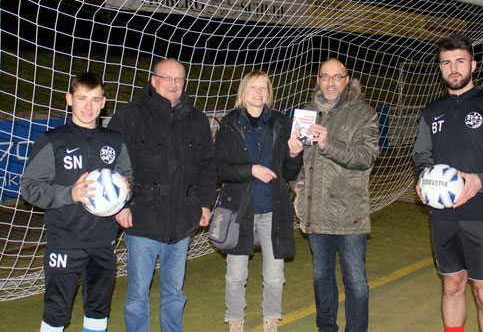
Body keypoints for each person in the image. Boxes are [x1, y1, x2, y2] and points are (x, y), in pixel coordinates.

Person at [413, 34, 483, 332]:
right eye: (446, 62)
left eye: (460, 61)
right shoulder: (431, 111)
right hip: (443, 214)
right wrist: (423, 179)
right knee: (452, 285)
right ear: (440, 68)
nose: (453, 68)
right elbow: (421, 155)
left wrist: (482, 180)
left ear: (473, 65)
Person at [107, 58, 216, 332]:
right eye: (166, 78)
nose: (173, 84)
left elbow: (206, 166)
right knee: (136, 297)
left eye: (178, 79)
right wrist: (121, 206)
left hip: (181, 222)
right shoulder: (130, 115)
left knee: (174, 293)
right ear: (153, 81)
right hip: (142, 220)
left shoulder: (197, 119)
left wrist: (205, 203)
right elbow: (112, 165)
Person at [20, 72, 133, 332]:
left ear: (104, 102)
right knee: (57, 311)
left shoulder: (114, 141)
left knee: (98, 310)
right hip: (65, 242)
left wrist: (127, 192)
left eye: (94, 100)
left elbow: (128, 178)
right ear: (69, 99)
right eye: (81, 98)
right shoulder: (53, 140)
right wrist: (69, 194)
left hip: (103, 243)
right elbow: (29, 188)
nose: (88, 106)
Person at [293, 58, 380, 331]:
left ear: (347, 80)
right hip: (315, 208)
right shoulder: (305, 112)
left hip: (349, 212)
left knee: (355, 280)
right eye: (325, 77)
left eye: (337, 77)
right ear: (317, 80)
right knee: (321, 274)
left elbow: (366, 157)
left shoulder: (364, 113)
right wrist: (293, 175)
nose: (331, 83)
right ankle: (326, 328)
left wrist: (329, 143)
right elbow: (296, 161)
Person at [214, 71, 304, 332]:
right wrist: (250, 169)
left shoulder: (281, 122)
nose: (258, 92)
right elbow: (221, 169)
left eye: (263, 87)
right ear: (244, 91)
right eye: (253, 87)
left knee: (275, 276)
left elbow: (289, 172)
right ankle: (235, 320)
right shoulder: (229, 124)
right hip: (239, 212)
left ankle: (271, 319)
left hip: (272, 210)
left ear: (269, 92)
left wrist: (295, 155)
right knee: (236, 275)